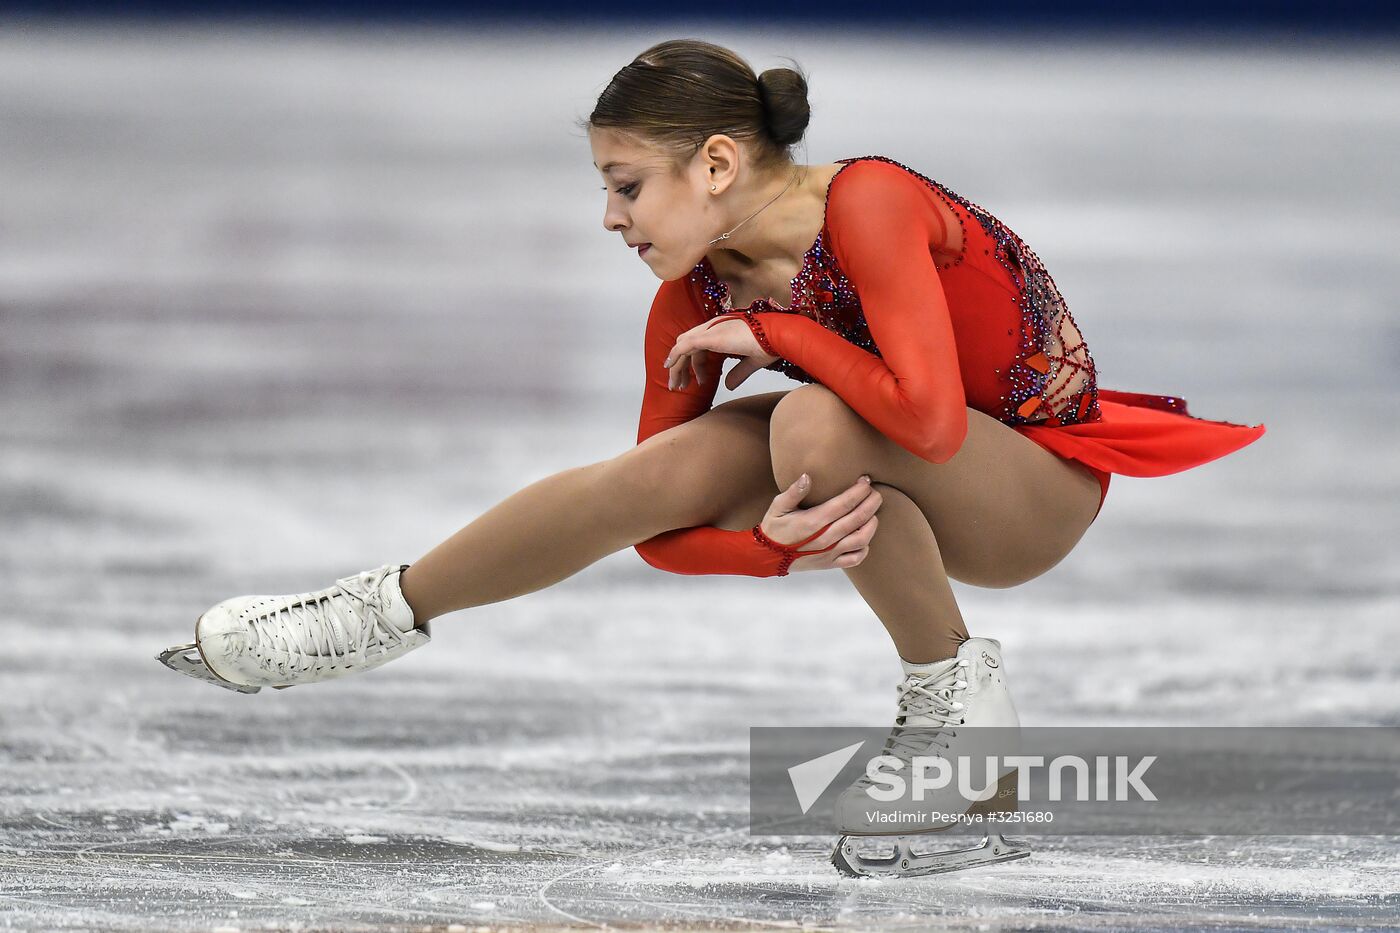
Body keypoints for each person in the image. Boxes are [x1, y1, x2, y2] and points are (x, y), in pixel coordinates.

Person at [157, 39, 1266, 875]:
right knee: (670, 468)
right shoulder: (691, 300)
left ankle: (962, 745)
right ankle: (368, 617)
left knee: (808, 423)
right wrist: (770, 551)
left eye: (626, 184)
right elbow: (654, 530)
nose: (608, 216)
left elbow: (928, 424)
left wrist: (779, 335)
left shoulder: (866, 204)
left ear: (719, 162)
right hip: (911, 457)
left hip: (1033, 486)